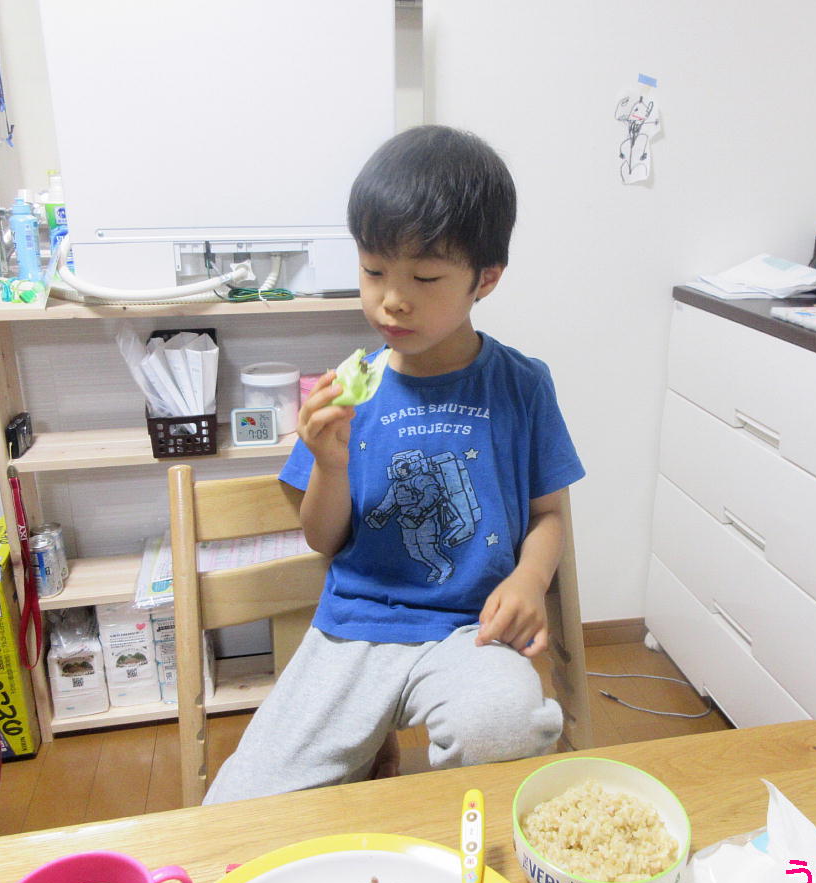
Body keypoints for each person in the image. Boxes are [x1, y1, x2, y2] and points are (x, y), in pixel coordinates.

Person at [204, 125, 585, 804]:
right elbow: (323, 539)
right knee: (242, 804)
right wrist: (327, 464)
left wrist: (530, 580)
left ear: (485, 279)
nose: (392, 299)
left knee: (504, 728)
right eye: (374, 271)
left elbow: (549, 515)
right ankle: (369, 766)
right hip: (354, 627)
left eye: (425, 277)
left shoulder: (522, 386)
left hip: (471, 629)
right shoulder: (349, 391)